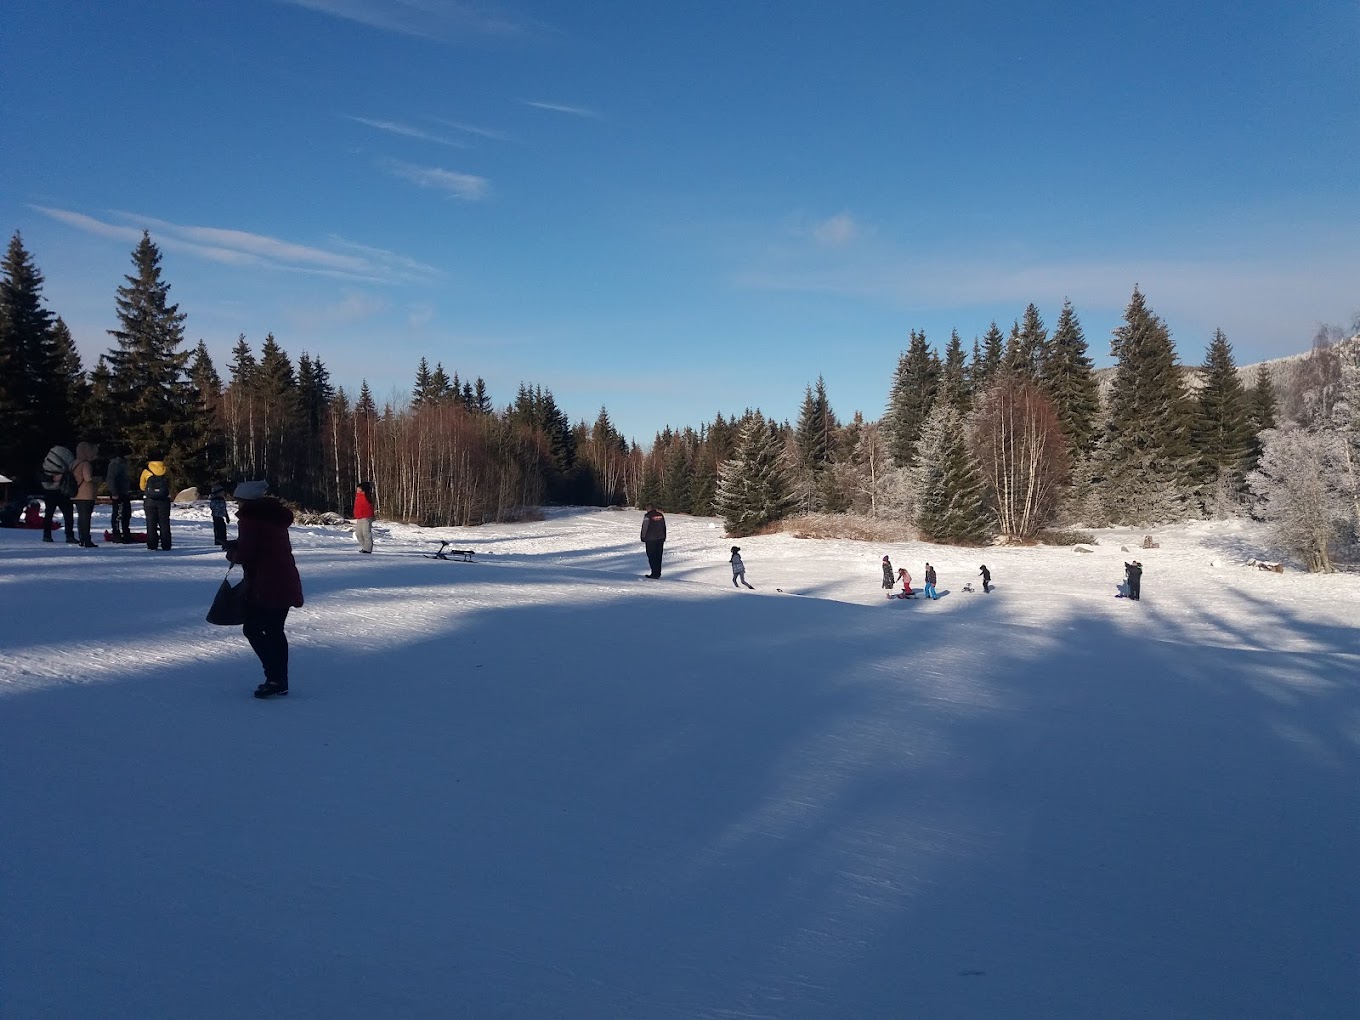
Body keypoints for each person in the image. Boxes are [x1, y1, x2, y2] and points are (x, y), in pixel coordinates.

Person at [226, 481, 304, 699]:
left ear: (246, 501)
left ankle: (274, 678)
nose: (237, 505)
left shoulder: (250, 519)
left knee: (253, 629)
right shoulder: (273, 515)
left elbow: (247, 555)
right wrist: (239, 544)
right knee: (274, 630)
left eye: (238, 501)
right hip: (284, 580)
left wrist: (233, 553)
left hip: (265, 583)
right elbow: (265, 543)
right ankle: (280, 680)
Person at [40, 443, 76, 543]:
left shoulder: (49, 456)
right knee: (68, 514)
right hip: (63, 490)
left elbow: (42, 474)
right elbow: (71, 468)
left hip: (50, 490)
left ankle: (47, 535)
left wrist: (51, 478)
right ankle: (69, 535)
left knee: (49, 514)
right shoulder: (67, 454)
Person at [140, 456, 172, 550]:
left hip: (150, 500)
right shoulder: (166, 470)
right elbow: (170, 485)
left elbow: (142, 486)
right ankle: (166, 544)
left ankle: (152, 544)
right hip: (164, 500)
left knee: (151, 522)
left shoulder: (146, 471)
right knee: (164, 523)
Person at [72, 441, 100, 548]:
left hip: (76, 494)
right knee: (86, 517)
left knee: (81, 517)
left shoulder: (74, 463)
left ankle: (81, 538)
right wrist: (97, 479)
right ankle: (86, 539)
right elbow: (88, 478)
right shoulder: (86, 464)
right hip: (86, 494)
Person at [106, 448, 133, 543]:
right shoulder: (115, 464)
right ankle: (116, 533)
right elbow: (111, 479)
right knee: (118, 514)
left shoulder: (123, 464)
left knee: (126, 514)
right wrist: (114, 493)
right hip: (118, 493)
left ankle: (126, 532)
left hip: (124, 492)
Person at [640, 504, 666, 578]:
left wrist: (642, 537)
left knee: (652, 556)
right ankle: (658, 573)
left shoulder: (647, 516)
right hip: (660, 538)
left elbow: (645, 527)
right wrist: (664, 536)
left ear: (648, 509)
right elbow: (664, 526)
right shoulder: (660, 515)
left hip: (651, 539)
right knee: (659, 556)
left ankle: (654, 573)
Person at [352, 481, 376, 553]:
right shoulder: (357, 495)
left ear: (363, 489)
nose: (357, 489)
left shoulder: (367, 496)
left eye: (359, 488)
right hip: (359, 517)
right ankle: (365, 548)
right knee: (358, 534)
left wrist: (369, 485)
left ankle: (368, 549)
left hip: (366, 517)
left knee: (366, 533)